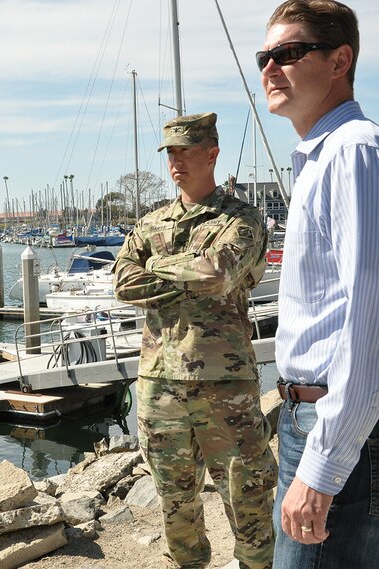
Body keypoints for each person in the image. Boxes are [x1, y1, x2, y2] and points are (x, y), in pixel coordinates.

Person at [112, 112, 277, 569]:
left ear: (212, 153)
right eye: (170, 153)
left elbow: (218, 272)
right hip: (159, 382)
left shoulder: (242, 220)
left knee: (247, 494)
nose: (176, 161)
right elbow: (123, 283)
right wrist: (189, 269)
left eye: (186, 151)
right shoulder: (151, 223)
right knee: (173, 497)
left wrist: (158, 268)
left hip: (225, 386)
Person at [258, 1, 379, 567]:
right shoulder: (319, 157)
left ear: (340, 61)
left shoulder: (354, 153)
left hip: (334, 428)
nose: (270, 68)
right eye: (265, 56)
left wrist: (324, 467)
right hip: (305, 419)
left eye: (288, 53)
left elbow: (369, 322)